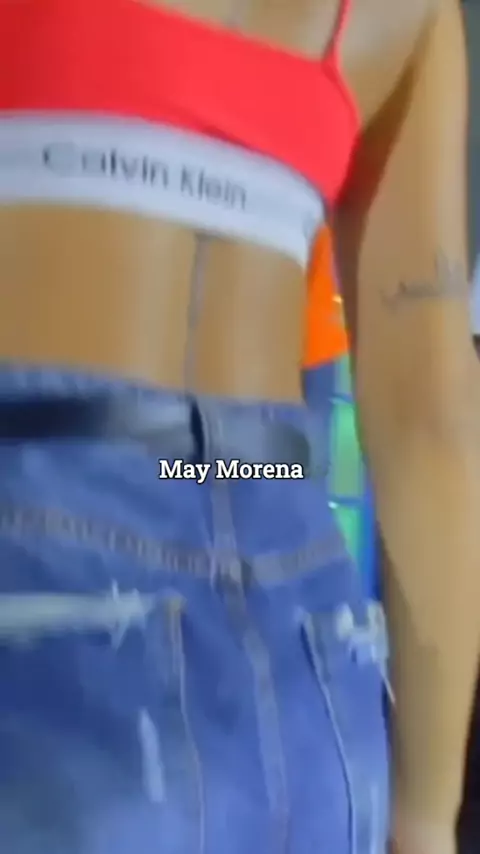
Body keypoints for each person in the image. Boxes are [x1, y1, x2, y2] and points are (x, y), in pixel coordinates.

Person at [0, 1, 476, 853]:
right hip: (303, 617)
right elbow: (431, 419)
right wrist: (427, 821)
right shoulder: (417, 16)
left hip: (48, 581)